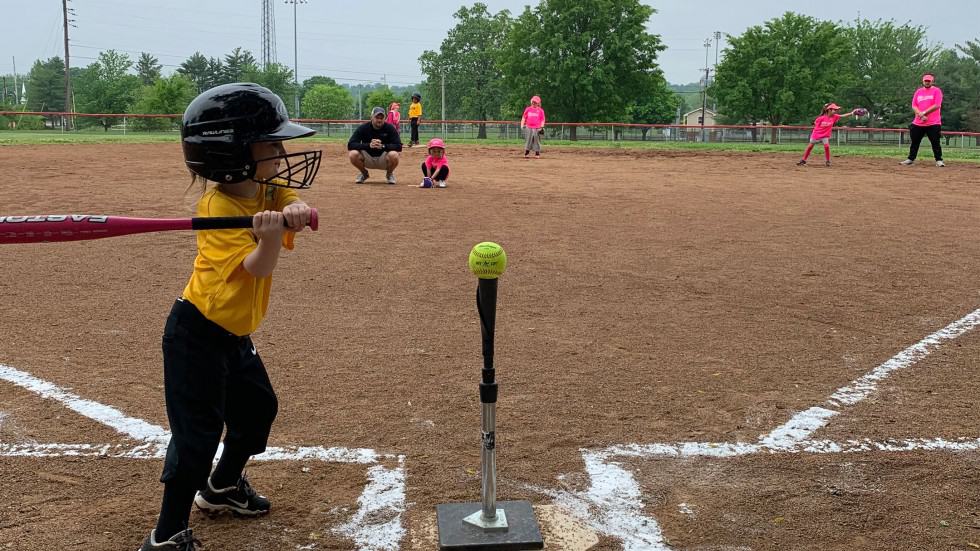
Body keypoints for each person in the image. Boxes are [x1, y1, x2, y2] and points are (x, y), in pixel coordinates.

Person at [138, 82, 320, 551]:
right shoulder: (217, 207)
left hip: (234, 334)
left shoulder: (262, 187)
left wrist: (292, 208)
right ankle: (167, 534)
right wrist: (271, 239)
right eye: (271, 144)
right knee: (196, 437)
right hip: (196, 334)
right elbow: (256, 267)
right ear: (232, 152)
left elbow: (283, 198)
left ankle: (220, 488)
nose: (281, 153)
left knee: (259, 410)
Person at [347, 106, 403, 184]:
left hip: (383, 158)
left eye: (381, 118)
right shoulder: (363, 128)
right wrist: (368, 145)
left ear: (385, 118)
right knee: (352, 154)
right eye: (377, 117)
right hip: (367, 158)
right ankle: (364, 173)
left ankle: (389, 174)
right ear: (372, 117)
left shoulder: (390, 128)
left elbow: (399, 146)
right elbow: (350, 145)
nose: (379, 120)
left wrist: (383, 146)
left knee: (394, 155)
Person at [900, 74, 945, 167]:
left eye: (929, 81)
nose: (927, 82)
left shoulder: (937, 91)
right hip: (918, 122)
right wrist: (920, 114)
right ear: (923, 81)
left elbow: (937, 105)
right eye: (925, 81)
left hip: (933, 123)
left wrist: (924, 113)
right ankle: (910, 159)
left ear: (932, 81)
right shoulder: (918, 92)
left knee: (935, 142)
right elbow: (914, 105)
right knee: (914, 142)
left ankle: (939, 160)